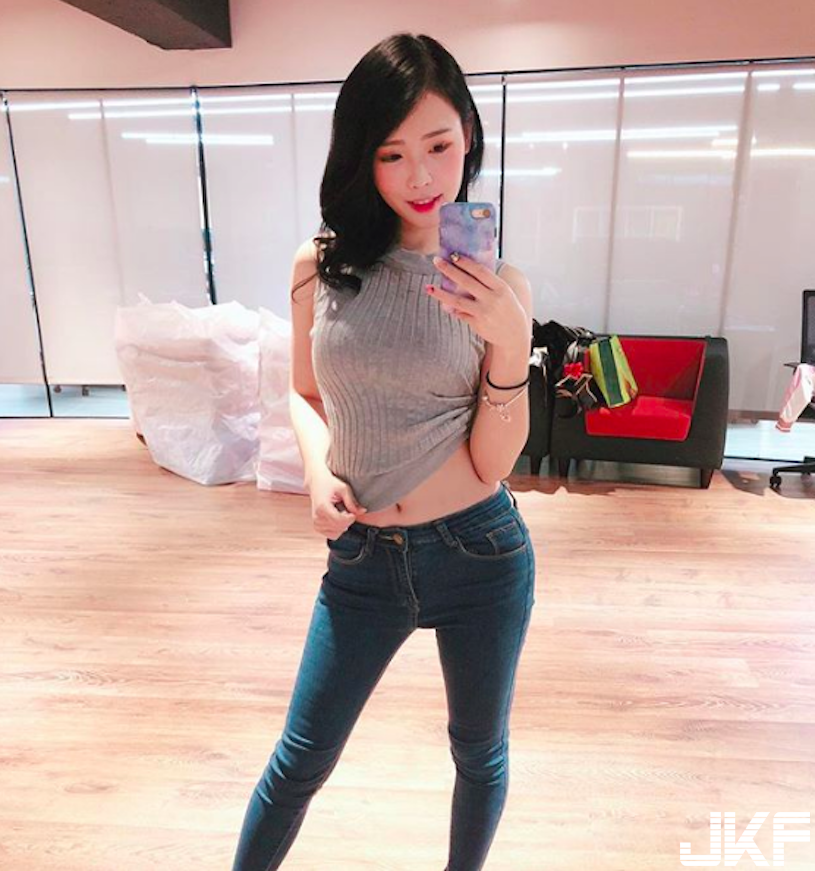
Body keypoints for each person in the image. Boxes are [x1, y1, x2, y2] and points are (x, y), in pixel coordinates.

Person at [232, 32, 536, 871]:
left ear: (467, 133)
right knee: (299, 760)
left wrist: (510, 344)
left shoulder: (500, 287)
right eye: (391, 154)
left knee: (478, 753)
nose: (420, 176)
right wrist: (317, 471)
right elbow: (304, 392)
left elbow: (493, 464)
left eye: (437, 146)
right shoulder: (319, 265)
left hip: (479, 552)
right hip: (362, 557)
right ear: (362, 159)